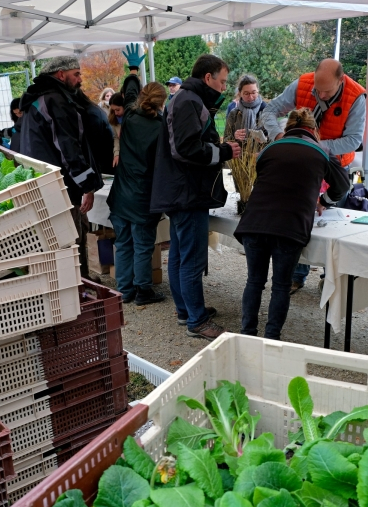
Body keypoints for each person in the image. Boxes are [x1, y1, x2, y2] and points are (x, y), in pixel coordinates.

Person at [234, 108, 350, 341]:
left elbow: (263, 173)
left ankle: (247, 335)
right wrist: (323, 201)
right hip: (290, 226)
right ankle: (271, 338)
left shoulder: (270, 149)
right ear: (313, 130)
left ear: (287, 129)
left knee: (254, 281)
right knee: (281, 285)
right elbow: (342, 186)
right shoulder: (322, 151)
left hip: (255, 222)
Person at [151, 54, 241, 341]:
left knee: (179, 255)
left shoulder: (186, 99)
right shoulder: (189, 100)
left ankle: (186, 311)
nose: (225, 87)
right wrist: (224, 151)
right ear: (208, 78)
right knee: (190, 258)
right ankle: (197, 321)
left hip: (180, 192)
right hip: (187, 194)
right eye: (223, 81)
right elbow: (187, 149)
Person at [261, 59, 366, 294]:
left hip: (334, 164)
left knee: (330, 224)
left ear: (341, 80)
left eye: (326, 90)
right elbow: (269, 110)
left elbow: (353, 140)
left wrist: (315, 146)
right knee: (299, 219)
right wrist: (278, 134)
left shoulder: (356, 96)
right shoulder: (301, 84)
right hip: (301, 166)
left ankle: (330, 279)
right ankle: (297, 276)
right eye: (317, 89)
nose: (320, 94)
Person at [19, 55, 102, 282]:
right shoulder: (56, 100)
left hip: (41, 183)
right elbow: (68, 148)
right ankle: (78, 287)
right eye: (76, 74)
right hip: (62, 186)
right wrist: (87, 187)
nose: (80, 79)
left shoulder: (35, 101)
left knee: (53, 242)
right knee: (71, 239)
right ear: (61, 74)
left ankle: (66, 285)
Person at [107, 44, 166, 306]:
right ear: (162, 102)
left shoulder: (129, 115)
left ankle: (125, 291)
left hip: (121, 193)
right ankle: (143, 291)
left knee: (124, 243)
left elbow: (129, 91)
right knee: (143, 245)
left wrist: (133, 69)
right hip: (144, 196)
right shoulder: (162, 127)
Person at [76, 89, 114, 176]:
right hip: (106, 154)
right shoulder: (95, 110)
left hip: (104, 158)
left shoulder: (91, 115)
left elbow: (95, 142)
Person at [224, 75, 267, 143]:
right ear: (240, 93)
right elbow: (225, 140)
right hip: (240, 153)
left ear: (258, 91)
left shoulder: (266, 111)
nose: (250, 97)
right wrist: (234, 136)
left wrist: (264, 140)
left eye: (253, 92)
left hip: (262, 153)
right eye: (246, 93)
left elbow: (274, 139)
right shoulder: (234, 114)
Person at [108, 93, 124, 168]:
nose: (116, 113)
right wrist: (116, 153)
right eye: (113, 110)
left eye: (118, 110)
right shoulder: (114, 119)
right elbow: (116, 137)